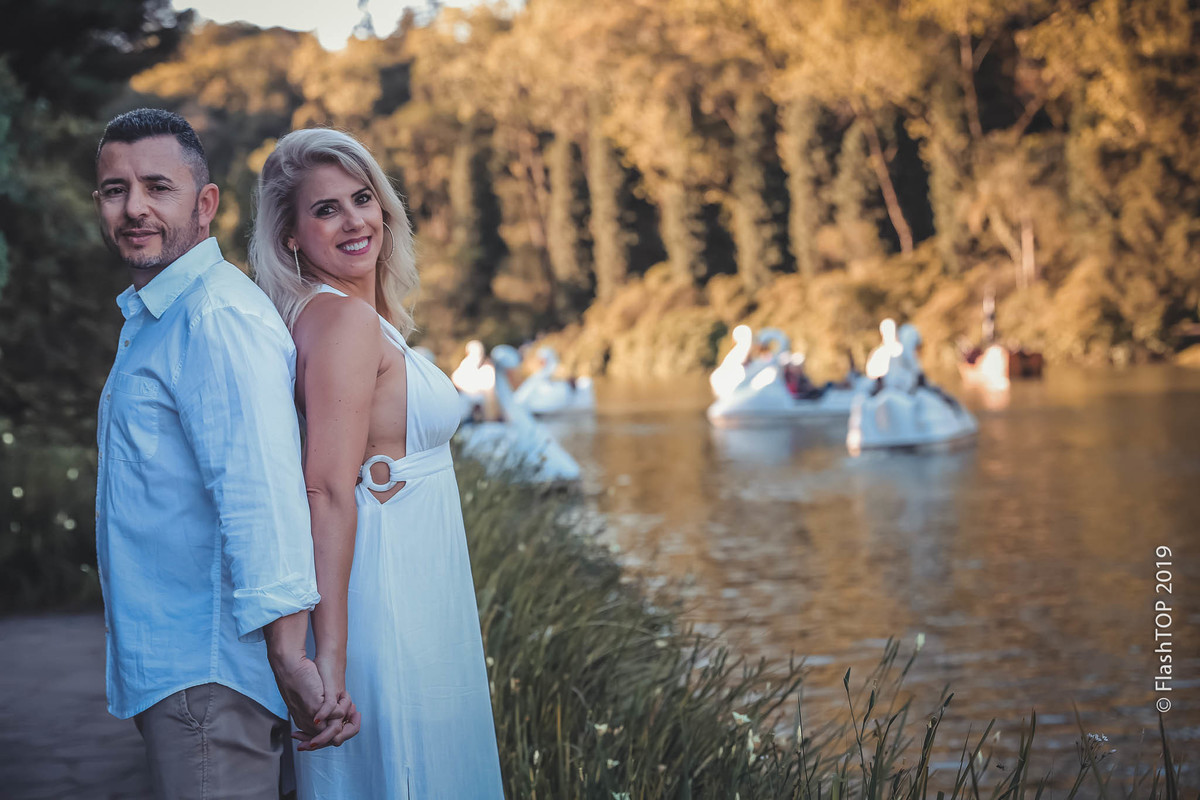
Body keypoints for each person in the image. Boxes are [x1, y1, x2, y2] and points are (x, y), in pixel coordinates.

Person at [92, 108, 358, 800]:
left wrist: (287, 654)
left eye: (158, 186)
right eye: (115, 190)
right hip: (182, 671)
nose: (135, 208)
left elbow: (259, 491)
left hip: (210, 679)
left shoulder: (215, 318)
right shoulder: (166, 317)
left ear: (205, 204)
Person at [250, 128, 504, 798]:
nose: (355, 219)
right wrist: (325, 660)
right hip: (386, 597)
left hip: (418, 583)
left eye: (362, 198)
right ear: (291, 237)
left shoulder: (351, 316)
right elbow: (327, 489)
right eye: (325, 209)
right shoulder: (341, 323)